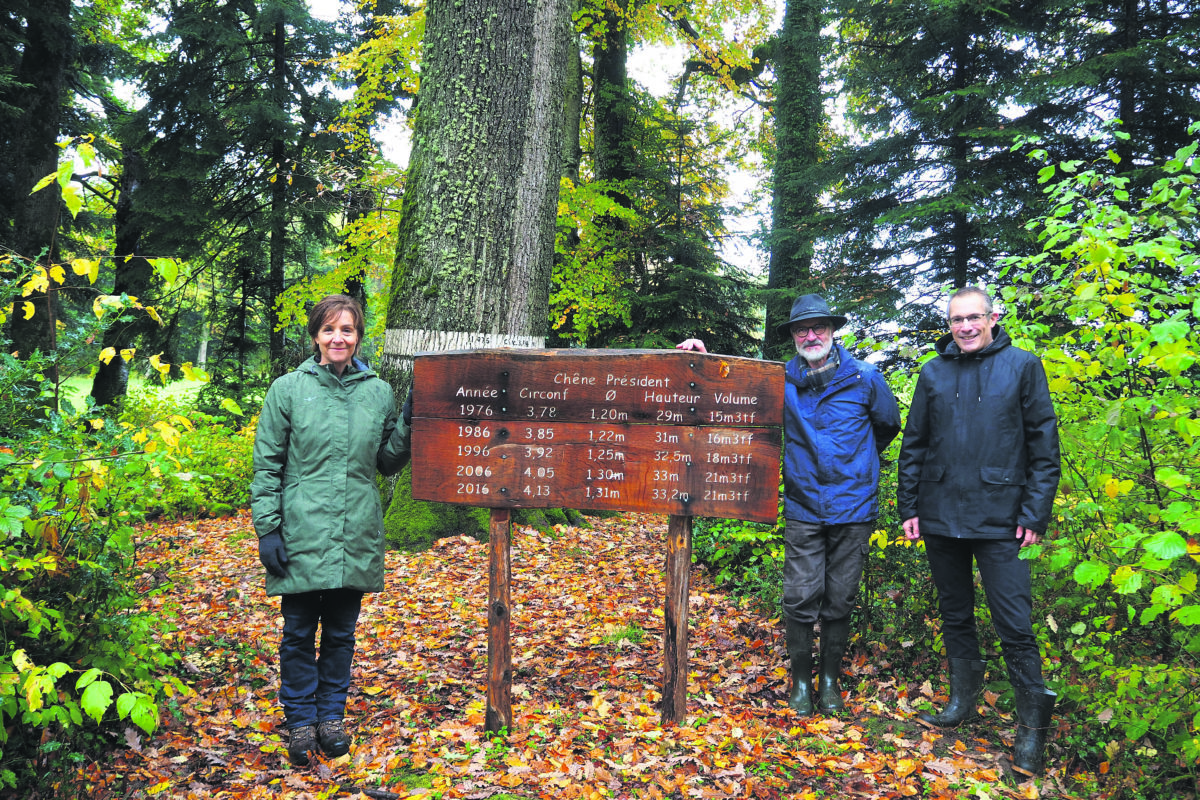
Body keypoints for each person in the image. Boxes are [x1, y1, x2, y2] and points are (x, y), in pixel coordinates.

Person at [678, 294, 900, 716]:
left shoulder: (866, 378)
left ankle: (830, 683)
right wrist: (704, 360)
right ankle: (800, 683)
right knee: (800, 597)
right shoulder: (781, 380)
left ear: (833, 332)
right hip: (803, 506)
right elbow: (736, 386)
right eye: (802, 329)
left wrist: (858, 465)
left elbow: (887, 427)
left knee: (840, 597)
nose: (811, 335)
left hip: (854, 507)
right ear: (794, 336)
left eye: (818, 328)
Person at [898, 286, 1060, 777]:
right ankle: (962, 701)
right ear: (948, 325)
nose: (965, 327)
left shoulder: (1023, 366)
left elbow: (1044, 447)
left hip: (1002, 520)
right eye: (956, 320)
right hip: (941, 513)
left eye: (973, 318)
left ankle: (1030, 734)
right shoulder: (933, 372)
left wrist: (1034, 514)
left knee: (1014, 623)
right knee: (955, 615)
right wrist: (910, 505)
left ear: (992, 318)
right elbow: (915, 444)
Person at [252, 294, 412, 767]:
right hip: (300, 530)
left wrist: (408, 420)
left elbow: (385, 463)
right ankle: (301, 723)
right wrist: (268, 530)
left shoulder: (378, 391)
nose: (338, 338)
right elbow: (267, 466)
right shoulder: (287, 389)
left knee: (341, 634)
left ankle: (331, 719)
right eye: (329, 330)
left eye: (347, 330)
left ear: (359, 335)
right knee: (299, 632)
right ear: (315, 336)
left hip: (356, 530)